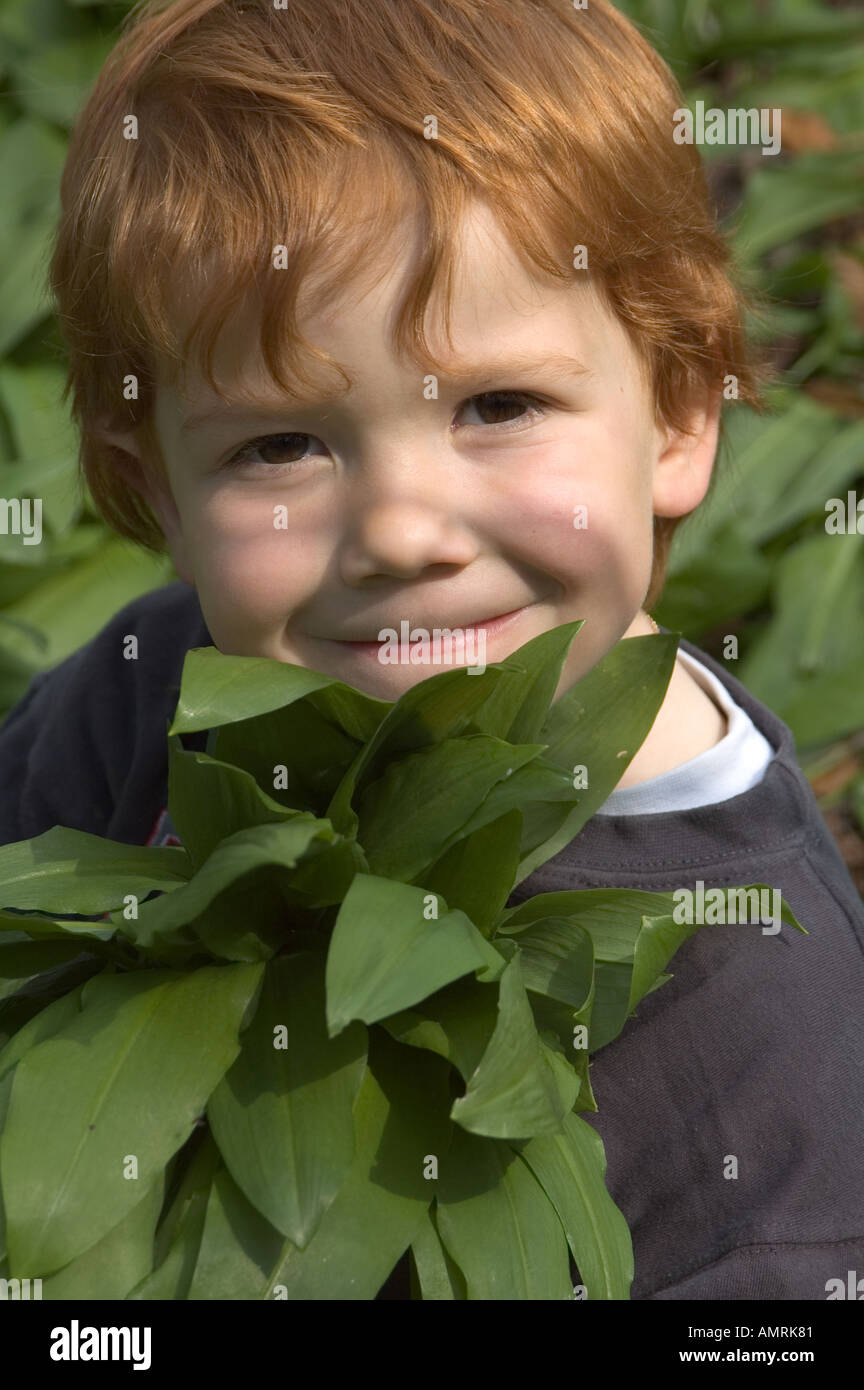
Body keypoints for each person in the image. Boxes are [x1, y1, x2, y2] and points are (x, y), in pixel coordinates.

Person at [2, 0, 862, 1300]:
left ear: (682, 412)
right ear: (160, 493)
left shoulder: (777, 1042)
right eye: (280, 443)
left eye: (499, 405)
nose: (402, 533)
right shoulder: (148, 692)